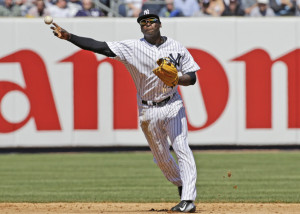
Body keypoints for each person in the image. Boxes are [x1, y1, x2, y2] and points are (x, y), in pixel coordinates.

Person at [49, 8, 199, 213]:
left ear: (160, 23)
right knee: (162, 159)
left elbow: (192, 78)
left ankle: (188, 199)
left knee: (182, 148)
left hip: (173, 103)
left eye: (151, 20)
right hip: (148, 110)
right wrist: (69, 37)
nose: (147, 24)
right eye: (143, 22)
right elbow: (99, 46)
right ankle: (182, 185)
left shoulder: (177, 47)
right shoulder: (132, 47)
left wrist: (177, 79)